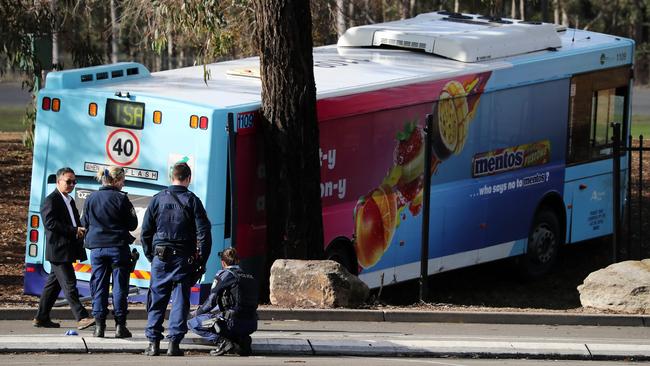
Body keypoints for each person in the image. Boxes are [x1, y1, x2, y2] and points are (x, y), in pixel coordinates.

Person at [141, 162, 212, 356]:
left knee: (157, 299)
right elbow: (204, 233)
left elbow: (145, 232)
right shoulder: (192, 200)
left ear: (171, 177)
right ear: (188, 179)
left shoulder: (157, 200)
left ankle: (153, 344)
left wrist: (151, 255)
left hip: (160, 257)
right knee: (181, 300)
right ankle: (174, 344)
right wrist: (201, 261)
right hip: (184, 258)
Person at [33, 167, 95, 330]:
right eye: (68, 181)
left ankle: (41, 317)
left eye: (74, 182)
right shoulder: (51, 200)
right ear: (58, 181)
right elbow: (50, 223)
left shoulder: (69, 200)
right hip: (58, 250)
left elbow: (75, 221)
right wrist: (73, 230)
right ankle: (81, 317)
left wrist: (80, 229)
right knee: (69, 284)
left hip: (67, 249)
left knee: (53, 286)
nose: (72, 184)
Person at [81, 166, 138, 338]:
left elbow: (84, 222)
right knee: (120, 287)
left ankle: (99, 326)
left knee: (99, 286)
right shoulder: (122, 199)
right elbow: (132, 224)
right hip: (117, 248)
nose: (124, 183)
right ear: (117, 180)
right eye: (123, 180)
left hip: (97, 248)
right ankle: (120, 326)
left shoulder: (91, 198)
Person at [187, 247, 258, 356]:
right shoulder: (249, 276)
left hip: (233, 322)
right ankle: (242, 341)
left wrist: (196, 314)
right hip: (251, 323)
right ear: (238, 261)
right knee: (226, 316)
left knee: (193, 323)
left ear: (223, 263)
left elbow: (211, 302)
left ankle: (223, 342)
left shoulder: (225, 275)